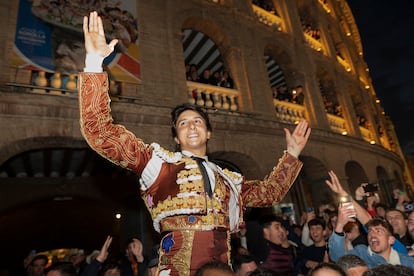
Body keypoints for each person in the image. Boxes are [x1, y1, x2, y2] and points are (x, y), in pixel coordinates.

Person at [79, 11, 310, 275]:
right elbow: (101, 133)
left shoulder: (229, 180)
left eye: (198, 121)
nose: (191, 125)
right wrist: (94, 63)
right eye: (183, 123)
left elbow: (270, 193)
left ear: (208, 133)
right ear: (176, 137)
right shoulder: (158, 164)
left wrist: (292, 153)